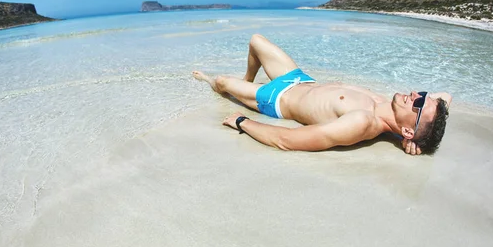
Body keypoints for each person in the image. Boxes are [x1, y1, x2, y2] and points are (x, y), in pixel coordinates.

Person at [193, 34, 451, 155]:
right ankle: (245, 82)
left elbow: (288, 139)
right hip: (300, 79)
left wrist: (242, 122)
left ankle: (217, 84)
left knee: (221, 81)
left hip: (277, 99)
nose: (415, 93)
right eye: (422, 94)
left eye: (418, 101)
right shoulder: (388, 106)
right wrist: (415, 138)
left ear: (408, 130)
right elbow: (446, 97)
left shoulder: (362, 122)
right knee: (256, 41)